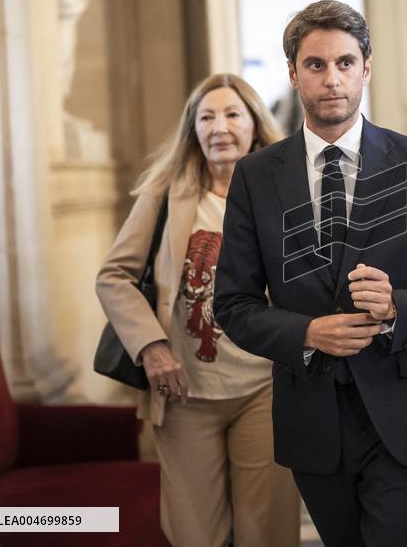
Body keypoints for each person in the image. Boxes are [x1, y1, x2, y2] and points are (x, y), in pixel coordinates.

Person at [213, 0, 407, 547]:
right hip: (312, 416)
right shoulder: (256, 177)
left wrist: (398, 306)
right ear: (293, 73)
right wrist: (306, 333)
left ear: (367, 68)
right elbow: (233, 305)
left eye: (345, 63)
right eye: (315, 65)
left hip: (402, 411)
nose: (331, 79)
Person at [95, 73, 299, 547]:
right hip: (185, 391)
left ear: (254, 125)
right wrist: (151, 347)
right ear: (193, 129)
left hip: (266, 390)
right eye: (206, 117)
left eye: (232, 114)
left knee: (265, 532)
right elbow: (114, 276)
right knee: (194, 535)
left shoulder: (286, 191)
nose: (218, 127)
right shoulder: (166, 191)